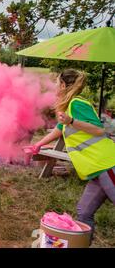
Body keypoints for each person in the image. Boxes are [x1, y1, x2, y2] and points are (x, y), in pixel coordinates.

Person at [31, 69, 115, 238]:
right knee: (83, 212)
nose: (54, 86)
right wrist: (38, 145)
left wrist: (72, 121)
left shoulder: (77, 104)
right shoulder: (68, 106)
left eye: (56, 82)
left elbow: (99, 130)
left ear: (63, 85)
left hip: (107, 164)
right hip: (97, 169)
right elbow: (59, 130)